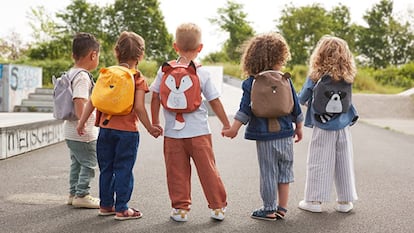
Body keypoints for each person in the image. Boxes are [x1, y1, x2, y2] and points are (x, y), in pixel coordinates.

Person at [150, 22, 230, 222]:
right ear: (200, 48)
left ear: (175, 46)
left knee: (176, 172)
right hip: (199, 132)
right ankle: (218, 207)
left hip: (173, 134)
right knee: (208, 170)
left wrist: (154, 122)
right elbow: (215, 101)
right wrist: (226, 124)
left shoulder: (164, 70)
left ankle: (180, 209)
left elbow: (154, 97)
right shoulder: (201, 73)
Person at [77, 31, 161, 220]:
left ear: (117, 52)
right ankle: (122, 208)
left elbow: (93, 100)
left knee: (106, 169)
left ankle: (106, 205)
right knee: (123, 169)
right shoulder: (137, 77)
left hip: (105, 130)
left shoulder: (107, 74)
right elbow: (139, 107)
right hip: (127, 132)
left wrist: (82, 122)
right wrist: (150, 127)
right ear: (141, 55)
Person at [222, 32, 304, 221]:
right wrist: (298, 128)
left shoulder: (252, 82)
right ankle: (282, 208)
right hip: (285, 134)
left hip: (264, 136)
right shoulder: (285, 79)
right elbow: (296, 106)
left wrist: (233, 129)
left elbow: (244, 110)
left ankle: (268, 209)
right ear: (281, 57)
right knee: (285, 171)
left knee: (269, 173)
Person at [297, 35, 358, 213]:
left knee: (319, 161)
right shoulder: (348, 77)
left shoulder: (316, 76)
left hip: (322, 127)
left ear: (320, 55)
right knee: (344, 162)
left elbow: (302, 98)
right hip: (343, 126)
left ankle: (314, 201)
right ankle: (345, 202)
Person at [65, 32, 100, 209]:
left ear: (73, 55)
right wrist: (83, 123)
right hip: (82, 132)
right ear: (93, 55)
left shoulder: (70, 73)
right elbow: (79, 99)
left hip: (70, 131)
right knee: (89, 163)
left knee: (77, 163)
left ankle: (73, 193)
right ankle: (82, 194)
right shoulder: (83, 76)